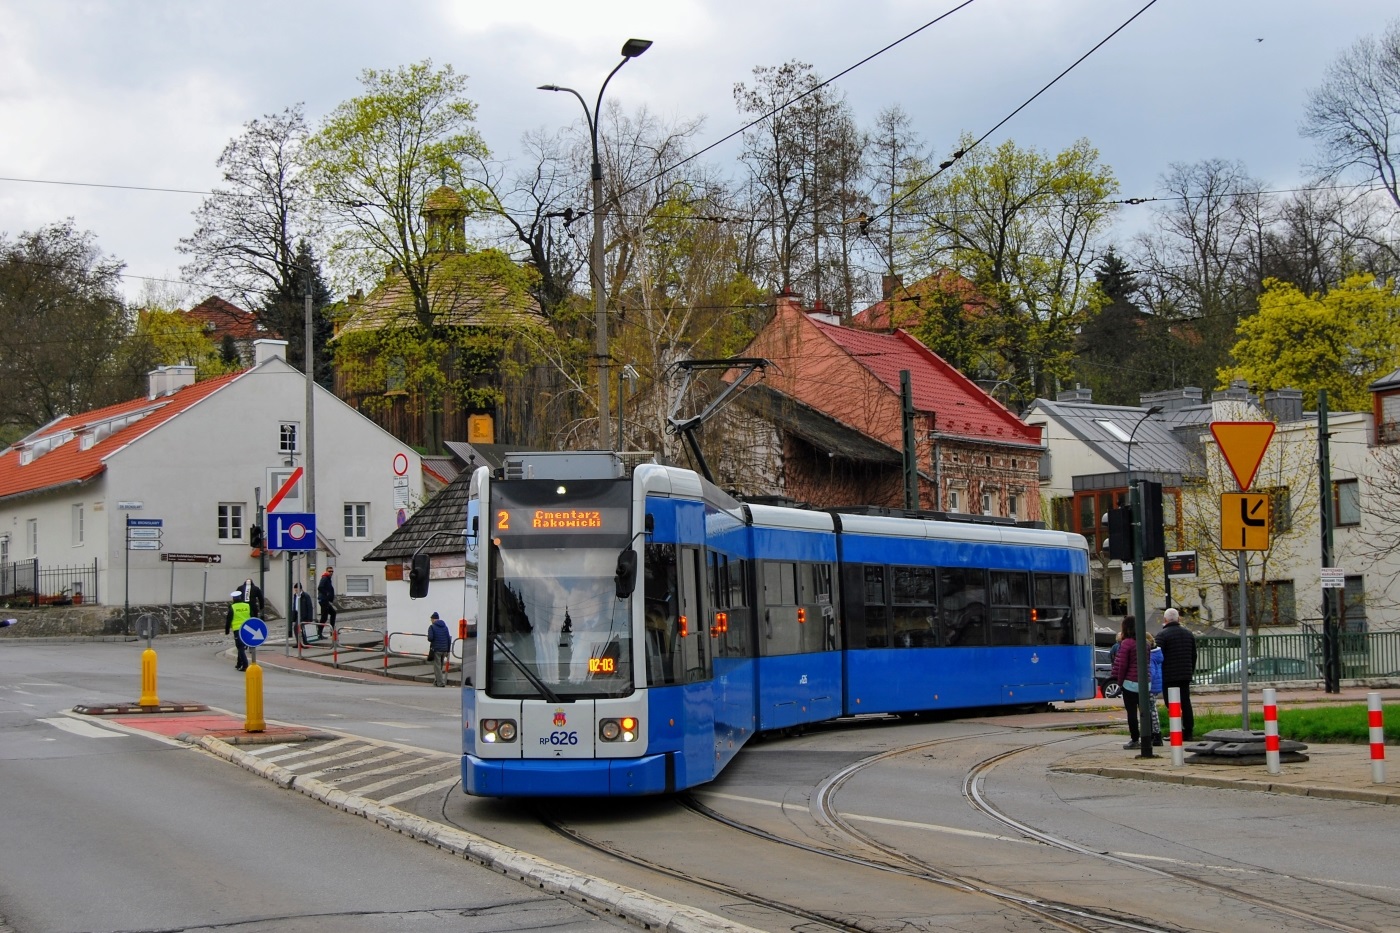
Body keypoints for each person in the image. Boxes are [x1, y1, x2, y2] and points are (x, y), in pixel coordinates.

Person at [1155, 606, 1198, 740]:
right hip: (1185, 674)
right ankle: (1188, 731)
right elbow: (1194, 655)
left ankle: (1176, 731)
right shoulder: (1188, 634)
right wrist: (1190, 670)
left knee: (1172, 704)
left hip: (1168, 676)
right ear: (1178, 618)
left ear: (1165, 619)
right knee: (1186, 702)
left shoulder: (1162, 635)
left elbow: (1158, 656)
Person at [1109, 615, 1144, 749]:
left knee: (1132, 713)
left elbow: (1122, 665)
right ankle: (1150, 735)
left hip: (1130, 683)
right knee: (1145, 711)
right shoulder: (1145, 643)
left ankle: (1135, 739)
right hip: (1145, 683)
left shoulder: (1126, 643)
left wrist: (1119, 682)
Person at [225, 589, 251, 671]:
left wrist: (227, 630)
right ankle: (239, 663)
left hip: (237, 629)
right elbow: (252, 616)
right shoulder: (247, 605)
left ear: (233, 598)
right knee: (242, 647)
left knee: (240, 647)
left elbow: (228, 619)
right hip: (247, 629)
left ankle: (245, 665)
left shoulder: (232, 607)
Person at [427, 611, 452, 687]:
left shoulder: (432, 627)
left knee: (437, 667)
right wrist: (448, 650)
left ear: (434, 619)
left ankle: (441, 683)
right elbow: (448, 639)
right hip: (444, 649)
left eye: (431, 619)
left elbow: (430, 638)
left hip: (436, 649)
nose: (431, 621)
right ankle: (436, 681)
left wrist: (429, 637)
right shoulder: (445, 627)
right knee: (440, 666)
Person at [291, 582, 314, 647]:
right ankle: (299, 643)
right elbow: (294, 605)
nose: (295, 591)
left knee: (301, 628)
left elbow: (309, 607)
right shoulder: (295, 596)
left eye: (296, 590)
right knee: (297, 628)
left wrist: (310, 618)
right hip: (298, 614)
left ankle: (304, 643)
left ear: (300, 589)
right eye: (295, 590)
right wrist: (293, 617)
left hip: (304, 614)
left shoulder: (305, 596)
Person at [317, 567, 337, 638]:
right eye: (329, 571)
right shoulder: (325, 578)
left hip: (325, 600)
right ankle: (319, 633)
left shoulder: (328, 578)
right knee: (324, 617)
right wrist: (327, 593)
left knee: (333, 613)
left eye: (332, 571)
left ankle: (332, 631)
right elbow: (320, 587)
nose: (331, 572)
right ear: (326, 571)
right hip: (323, 600)